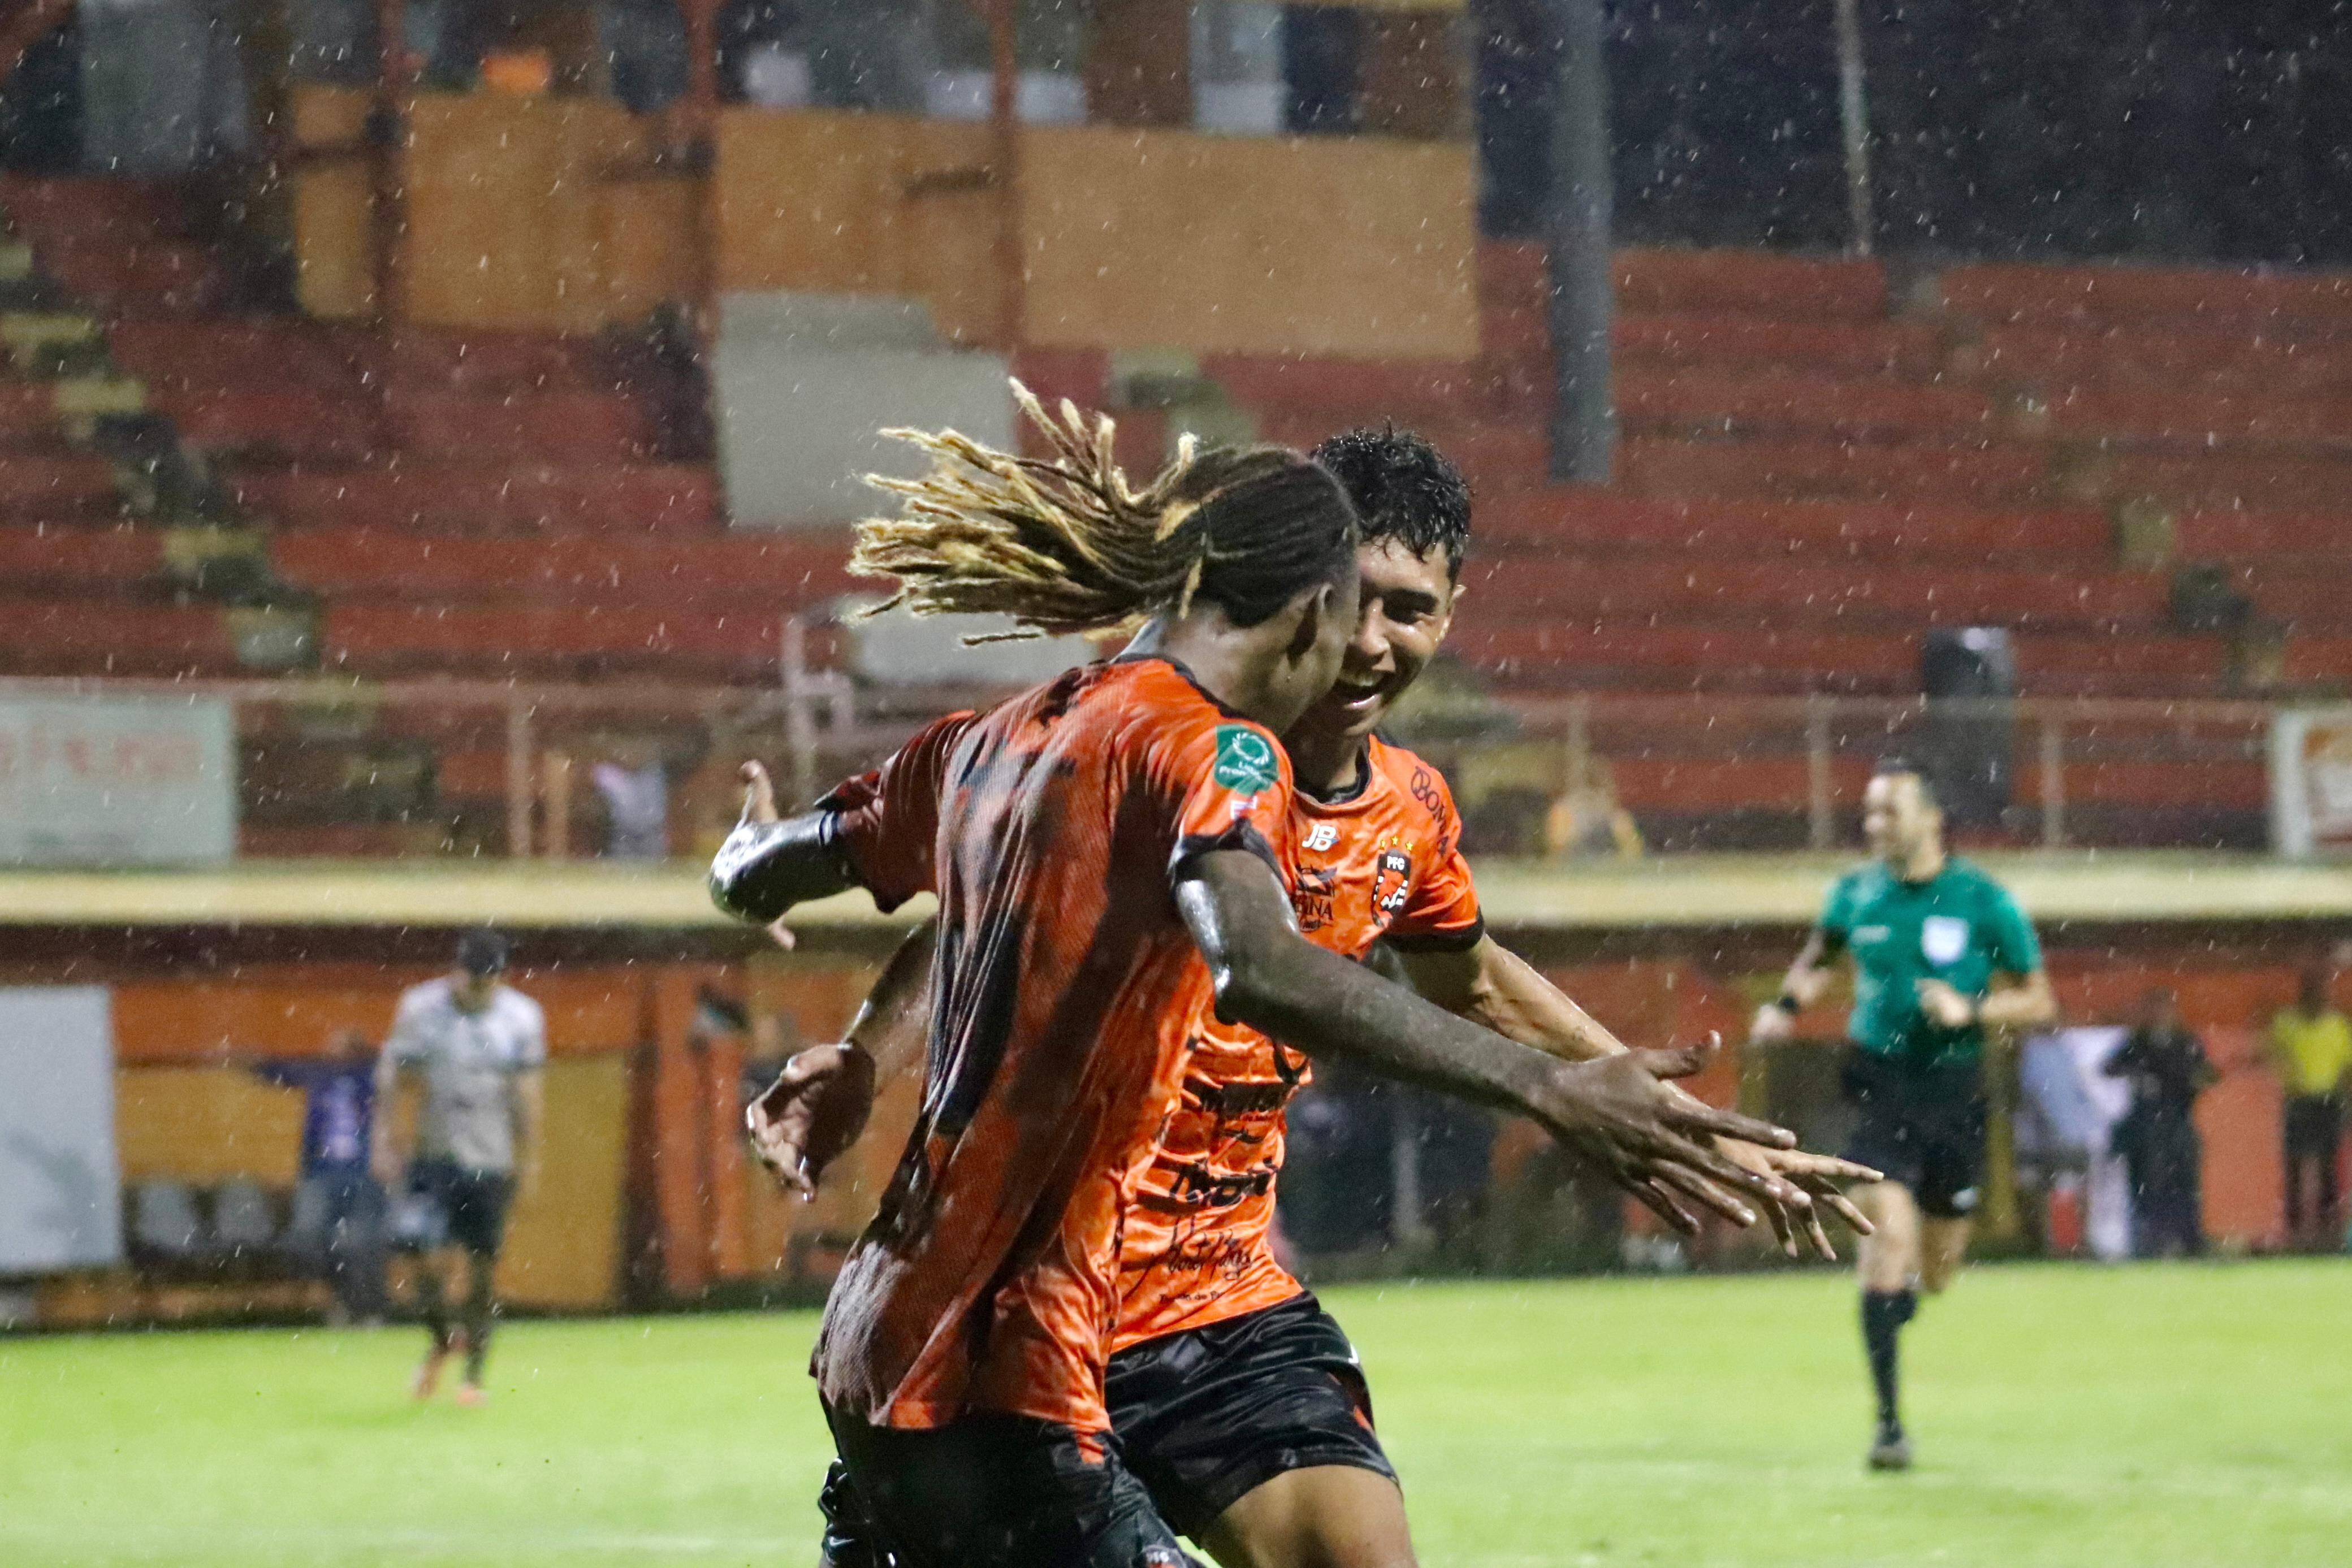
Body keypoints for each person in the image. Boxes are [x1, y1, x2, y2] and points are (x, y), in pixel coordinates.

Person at [709, 390, 1814, 1568]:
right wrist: (1546, 1094)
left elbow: (788, 879)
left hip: (1162, 1307)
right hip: (1010, 1338)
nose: (1369, 647)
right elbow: (1256, 960)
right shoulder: (1214, 751)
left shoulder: (997, 737)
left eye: (1410, 612)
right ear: (1304, 609)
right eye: (1352, 610)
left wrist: (1657, 1111)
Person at [1750, 760, 2055, 1472]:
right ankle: (1888, 1425)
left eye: (1888, 812)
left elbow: (2038, 999)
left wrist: (1971, 1010)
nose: (1874, 825)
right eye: (1869, 813)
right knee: (1885, 1236)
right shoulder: (1855, 893)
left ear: (1931, 820)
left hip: (1954, 1094)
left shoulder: (1983, 900)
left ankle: (1903, 1296)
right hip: (1876, 1084)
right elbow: (1817, 956)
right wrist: (1784, 1007)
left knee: (1937, 1268)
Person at [370, 929, 546, 1406]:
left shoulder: (522, 1018)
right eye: (471, 982)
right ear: (457, 972)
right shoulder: (421, 1010)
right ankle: (443, 1336)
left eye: (487, 984)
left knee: (483, 1270)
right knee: (416, 1248)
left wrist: (530, 1159)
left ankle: (473, 1377)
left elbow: (527, 1093)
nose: (477, 992)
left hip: (490, 1160)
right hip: (435, 1156)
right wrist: (386, 1141)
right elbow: (393, 1075)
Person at [248, 1028, 387, 1325]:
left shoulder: (370, 1079)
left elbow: (394, 1067)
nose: (334, 1053)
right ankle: (337, 1302)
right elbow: (283, 1073)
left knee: (360, 1243)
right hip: (321, 1174)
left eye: (344, 1048)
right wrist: (253, 1061)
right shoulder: (321, 1077)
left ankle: (366, 1309)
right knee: (312, 1239)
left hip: (363, 1175)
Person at [2104, 989, 2215, 1259]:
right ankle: (2150, 1241)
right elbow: (2110, 1068)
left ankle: (2188, 1240)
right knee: (2149, 1184)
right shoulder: (2137, 1043)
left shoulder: (2184, 1042)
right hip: (2146, 1125)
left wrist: (2192, 1080)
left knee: (2185, 1184)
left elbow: (2207, 1074)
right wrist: (2141, 1077)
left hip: (2179, 1121)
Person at [2267, 967, 2350, 1251]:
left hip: (2328, 1100)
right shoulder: (2287, 1023)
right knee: (2294, 1166)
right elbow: (2275, 1055)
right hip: (2298, 1100)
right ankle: (2296, 1232)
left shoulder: (2337, 1024)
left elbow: (2347, 1066)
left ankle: (2328, 1234)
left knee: (2328, 1168)